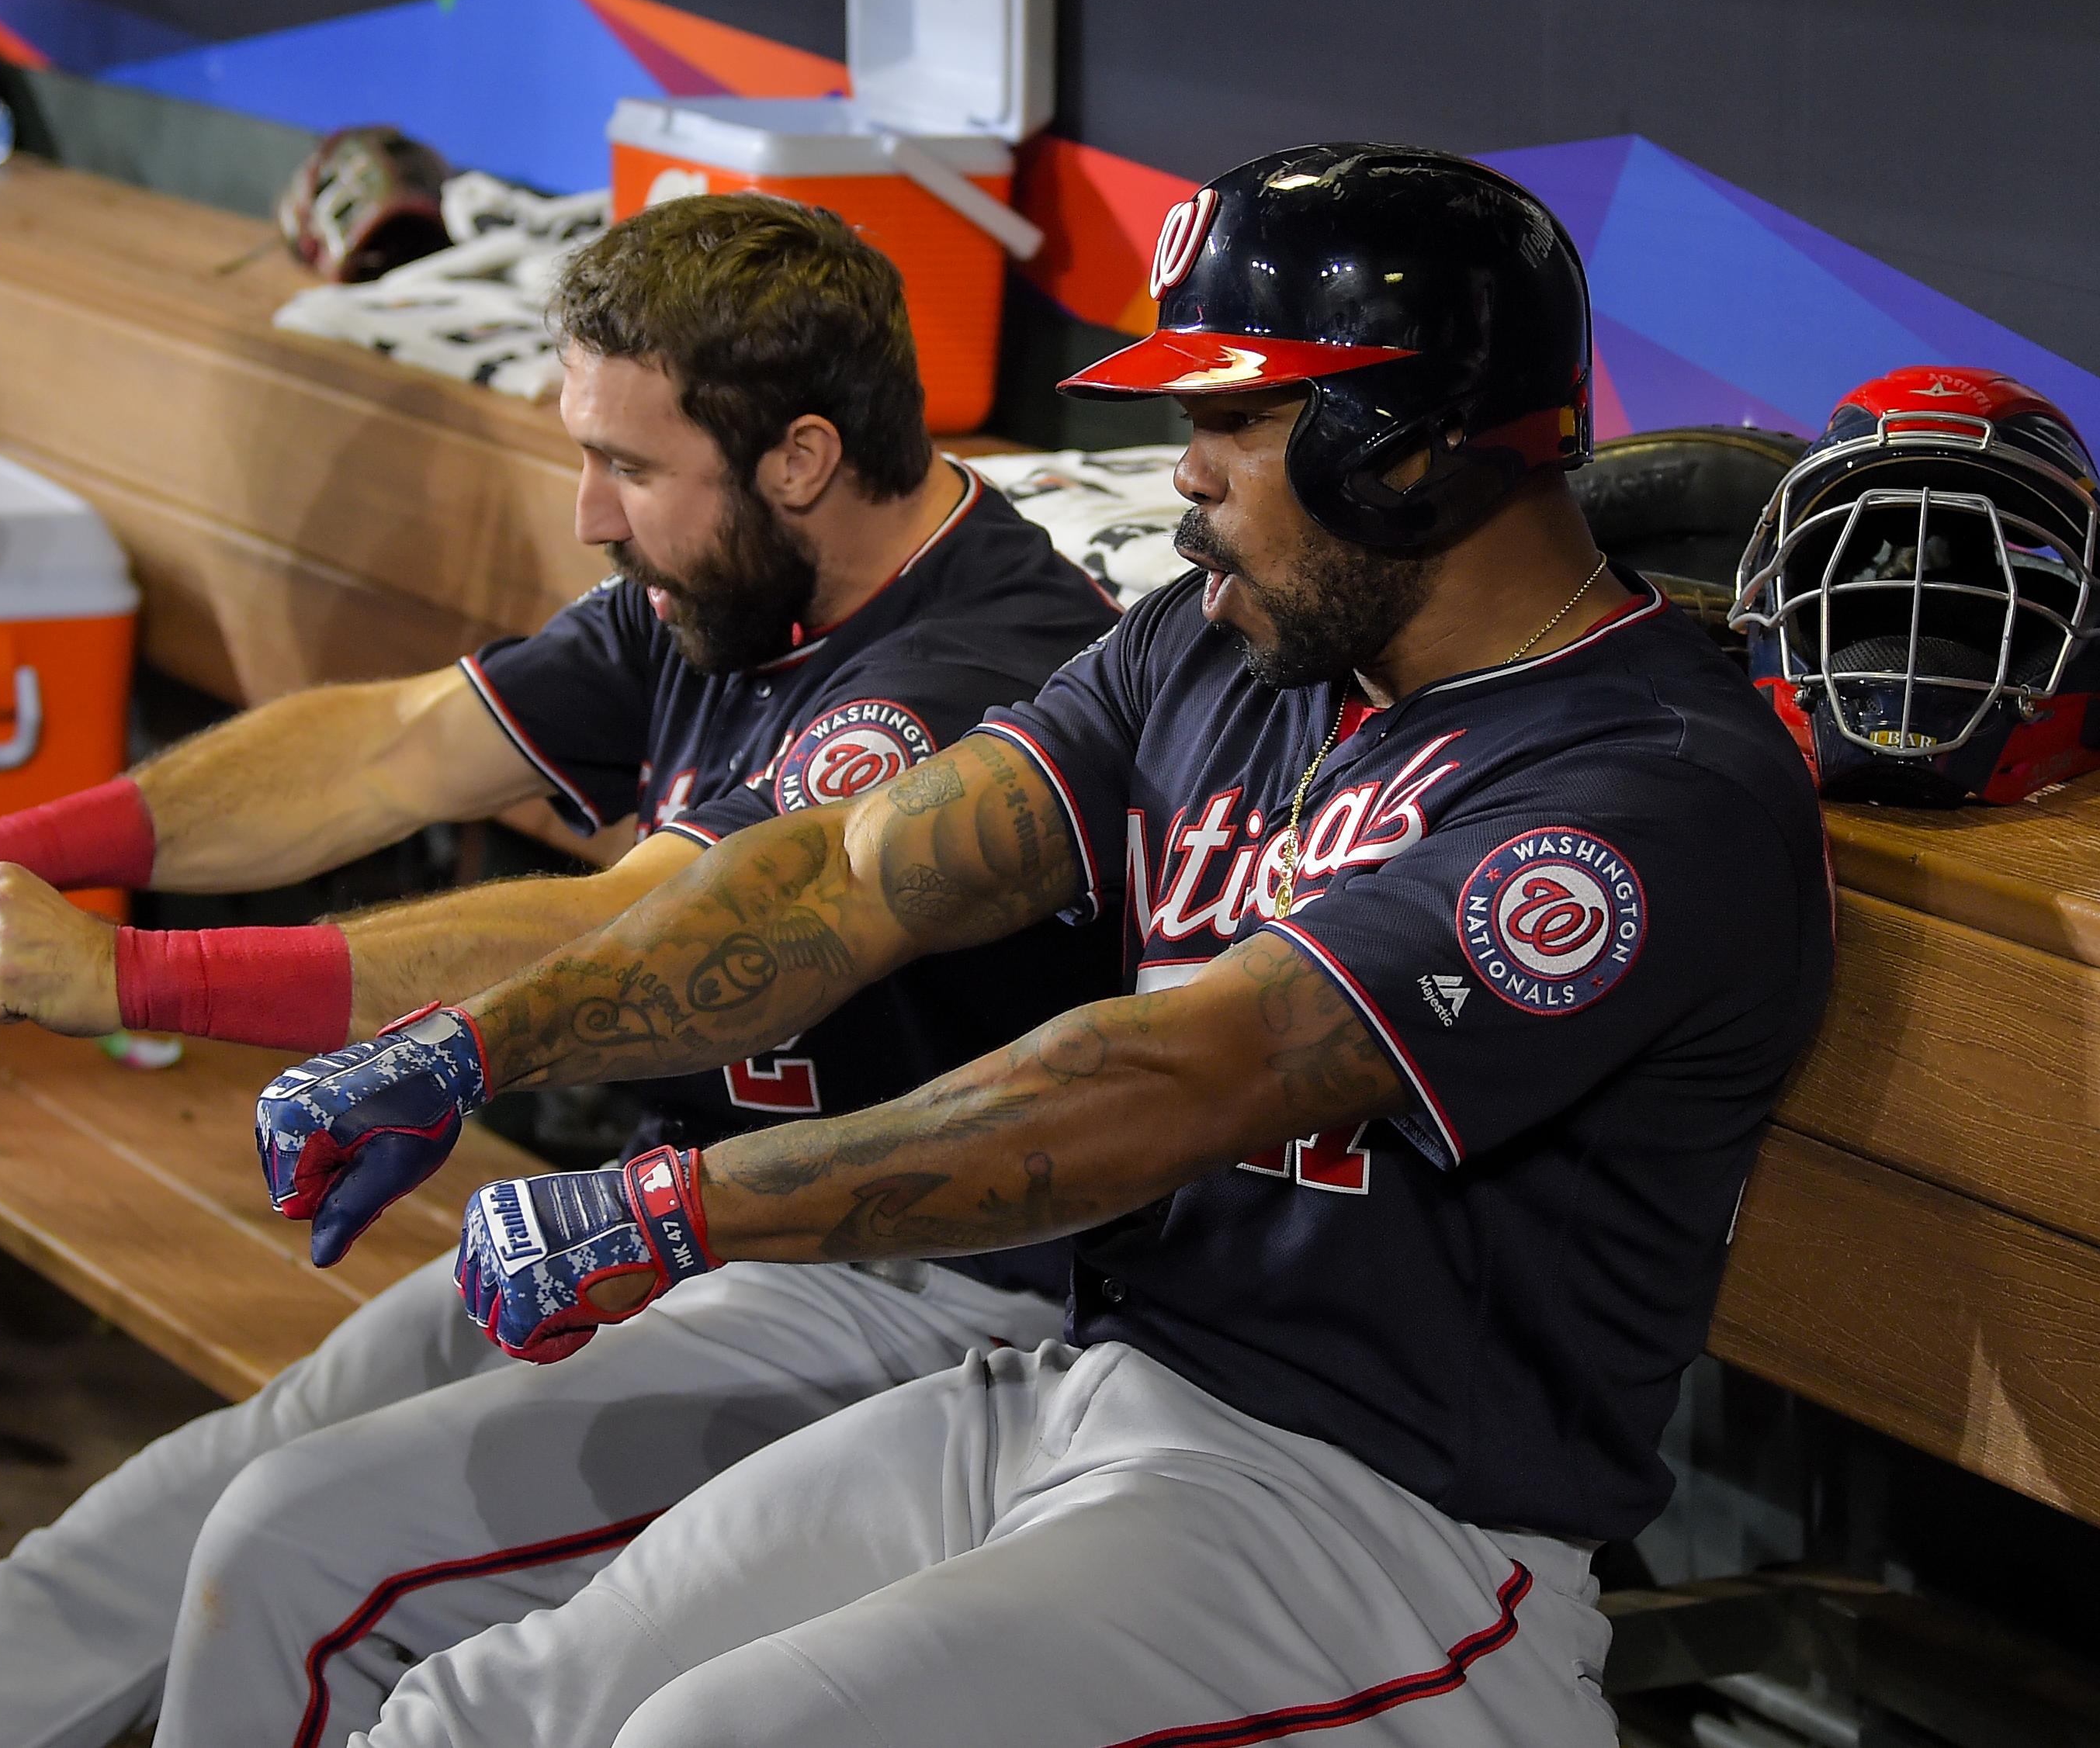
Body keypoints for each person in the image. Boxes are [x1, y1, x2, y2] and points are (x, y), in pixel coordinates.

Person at [274, 145, 1839, 1747]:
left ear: (1410, 452)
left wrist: (682, 1207)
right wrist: (480, 1043)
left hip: (1395, 1530)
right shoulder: (1216, 646)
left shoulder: (1644, 791)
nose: (1186, 473)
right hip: (1093, 1389)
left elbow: (1171, 1079)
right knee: (487, 1712)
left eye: (1236, 419)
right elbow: (847, 872)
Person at [0, 191, 1123, 1748]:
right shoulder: (731, 583)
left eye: (627, 468)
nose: (588, 514)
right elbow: (386, 748)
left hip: (914, 1284)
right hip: (665, 1217)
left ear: (804, 459)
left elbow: (628, 940)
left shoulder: (964, 671)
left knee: (295, 1546)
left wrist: (138, 977)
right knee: (191, 1496)